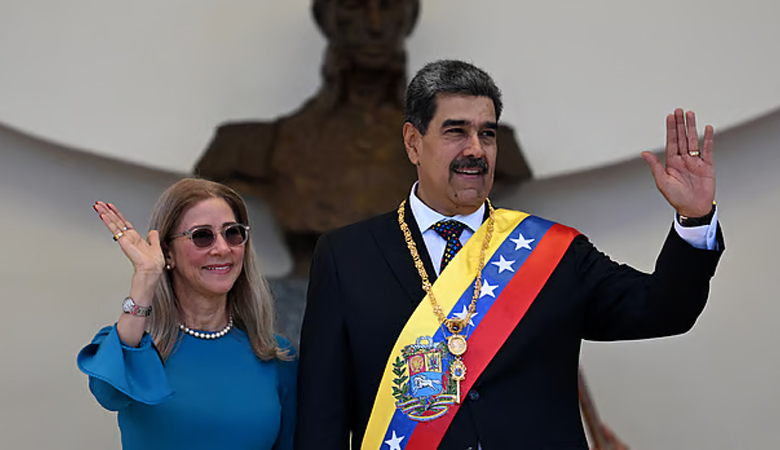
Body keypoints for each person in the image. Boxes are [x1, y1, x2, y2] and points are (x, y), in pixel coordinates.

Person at [295, 60, 723, 449]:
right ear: (413, 143)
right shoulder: (346, 257)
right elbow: (321, 419)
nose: (476, 150)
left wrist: (694, 218)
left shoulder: (552, 252)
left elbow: (664, 310)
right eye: (456, 131)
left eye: (487, 134)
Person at [77, 178, 297, 450]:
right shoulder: (134, 349)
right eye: (202, 236)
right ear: (167, 253)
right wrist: (146, 277)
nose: (222, 248)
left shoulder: (276, 356)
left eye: (233, 233)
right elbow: (107, 394)